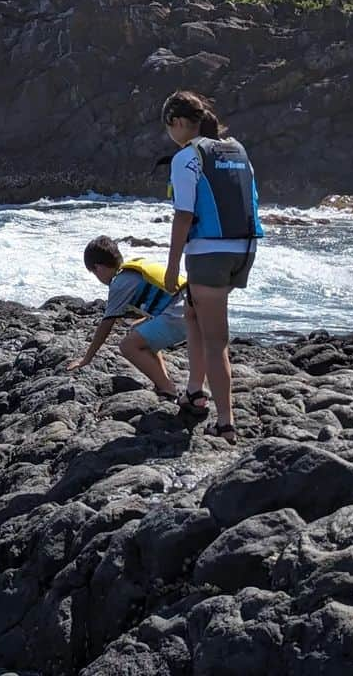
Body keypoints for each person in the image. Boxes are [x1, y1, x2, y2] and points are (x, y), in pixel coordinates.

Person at [161, 91, 262, 445]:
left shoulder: (187, 156)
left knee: (216, 339)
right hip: (243, 250)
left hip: (208, 254)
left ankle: (225, 422)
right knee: (193, 315)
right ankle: (194, 390)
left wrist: (172, 266)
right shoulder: (237, 151)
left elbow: (184, 215)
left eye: (168, 127)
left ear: (177, 122)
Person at [67, 236, 190, 399]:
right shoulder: (132, 270)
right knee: (137, 329)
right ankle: (163, 381)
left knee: (128, 346)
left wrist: (86, 359)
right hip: (193, 306)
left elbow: (106, 324)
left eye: (94, 273)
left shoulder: (119, 283)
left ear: (98, 268)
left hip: (180, 317)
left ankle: (167, 388)